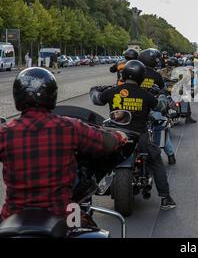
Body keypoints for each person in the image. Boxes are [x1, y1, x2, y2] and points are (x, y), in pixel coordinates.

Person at [0, 68, 128, 221]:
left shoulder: (5, 133)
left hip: (13, 218)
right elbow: (105, 142)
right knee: (91, 231)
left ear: (17, 96)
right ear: (52, 95)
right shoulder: (69, 127)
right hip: (62, 214)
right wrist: (119, 135)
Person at [91, 60, 176, 209]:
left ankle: (89, 191)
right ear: (141, 77)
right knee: (155, 159)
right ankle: (165, 198)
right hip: (139, 136)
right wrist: (162, 94)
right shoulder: (145, 94)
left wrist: (95, 89)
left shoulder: (112, 91)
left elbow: (96, 99)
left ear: (123, 74)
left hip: (115, 135)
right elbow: (161, 106)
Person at [139, 49, 179, 164]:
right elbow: (163, 90)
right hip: (152, 106)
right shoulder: (156, 75)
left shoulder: (135, 72)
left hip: (136, 107)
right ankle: (170, 155)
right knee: (160, 127)